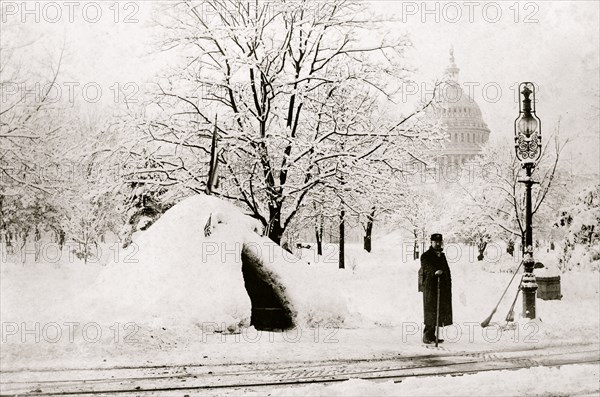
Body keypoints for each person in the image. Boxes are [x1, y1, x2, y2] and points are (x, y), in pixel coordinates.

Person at [418, 233, 453, 344]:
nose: (438, 244)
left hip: (441, 287)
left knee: (439, 310)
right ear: (431, 242)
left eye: (439, 242)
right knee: (430, 311)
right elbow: (427, 267)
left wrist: (447, 281)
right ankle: (427, 335)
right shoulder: (425, 255)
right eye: (435, 242)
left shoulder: (442, 256)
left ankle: (433, 336)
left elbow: (446, 269)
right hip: (430, 287)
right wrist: (434, 272)